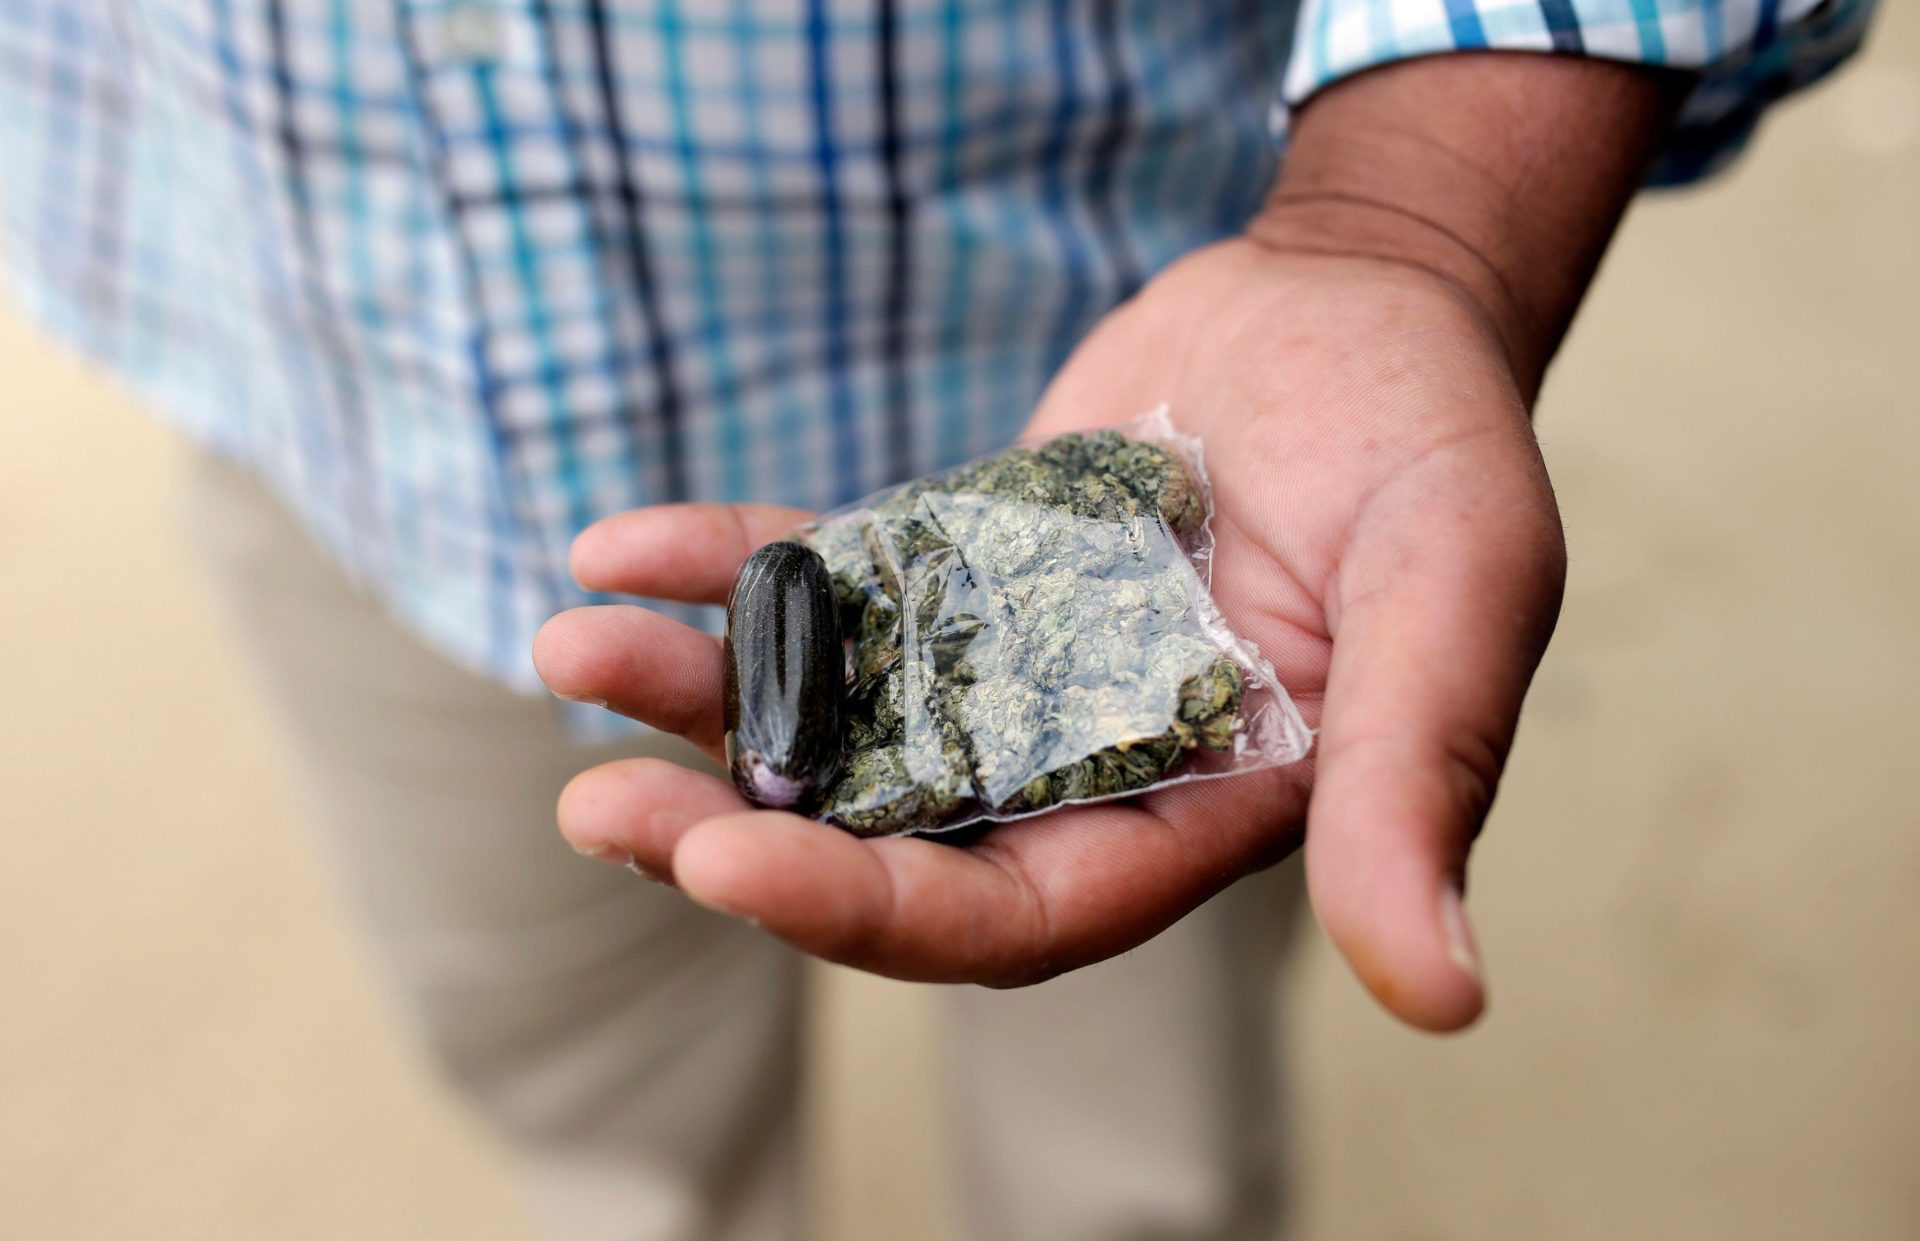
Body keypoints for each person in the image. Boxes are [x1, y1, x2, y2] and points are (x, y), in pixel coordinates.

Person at [0, 1, 1875, 1238]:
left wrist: (1414, 216)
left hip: (1128, 358)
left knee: (1137, 1125)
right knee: (560, 1058)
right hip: (333, 411)